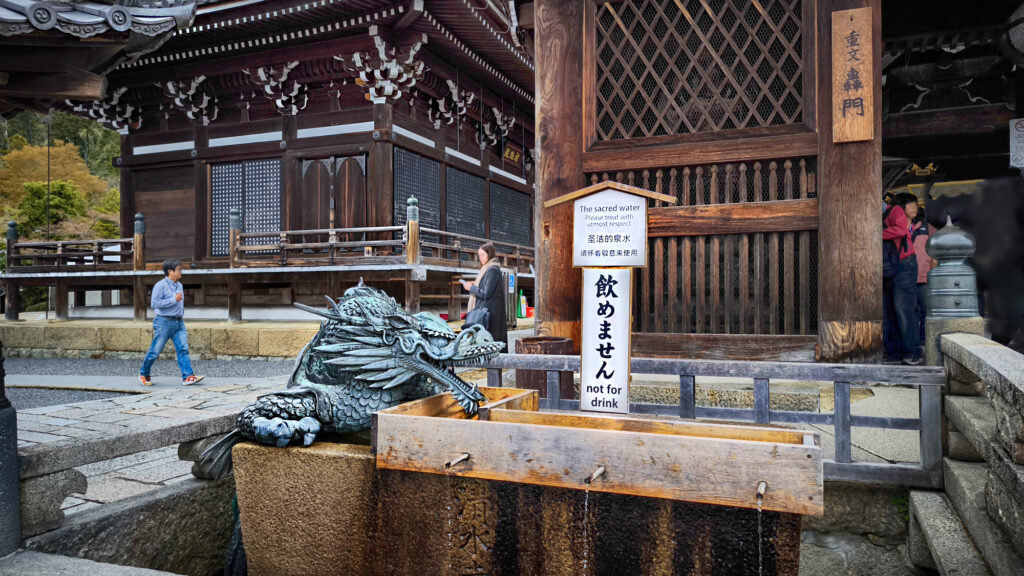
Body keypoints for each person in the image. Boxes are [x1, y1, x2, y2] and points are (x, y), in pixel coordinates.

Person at [139, 259, 204, 386]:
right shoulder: (160, 285)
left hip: (179, 322)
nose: (181, 272)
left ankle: (188, 376)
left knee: (183, 348)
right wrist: (173, 300)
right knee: (155, 350)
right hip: (163, 322)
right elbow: (154, 304)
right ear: (170, 271)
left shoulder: (179, 285)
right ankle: (144, 374)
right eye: (179, 269)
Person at [883, 194, 922, 365]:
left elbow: (900, 230)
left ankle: (913, 352)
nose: (915, 207)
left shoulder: (895, 210)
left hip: (904, 265)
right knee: (889, 311)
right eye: (912, 204)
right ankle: (895, 352)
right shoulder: (881, 215)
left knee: (903, 309)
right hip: (888, 267)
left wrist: (875, 233)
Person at [459, 243, 508, 345]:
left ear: (489, 255)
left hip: (489, 313)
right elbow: (486, 287)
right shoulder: (488, 269)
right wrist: (475, 285)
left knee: (490, 341)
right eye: (479, 255)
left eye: (482, 255)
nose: (480, 258)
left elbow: (486, 293)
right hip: (488, 311)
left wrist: (471, 288)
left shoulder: (492, 270)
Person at [909, 202, 936, 342]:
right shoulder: (904, 226)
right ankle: (913, 339)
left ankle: (924, 339)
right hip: (907, 276)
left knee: (926, 310)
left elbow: (935, 252)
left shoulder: (928, 228)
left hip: (924, 276)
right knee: (911, 311)